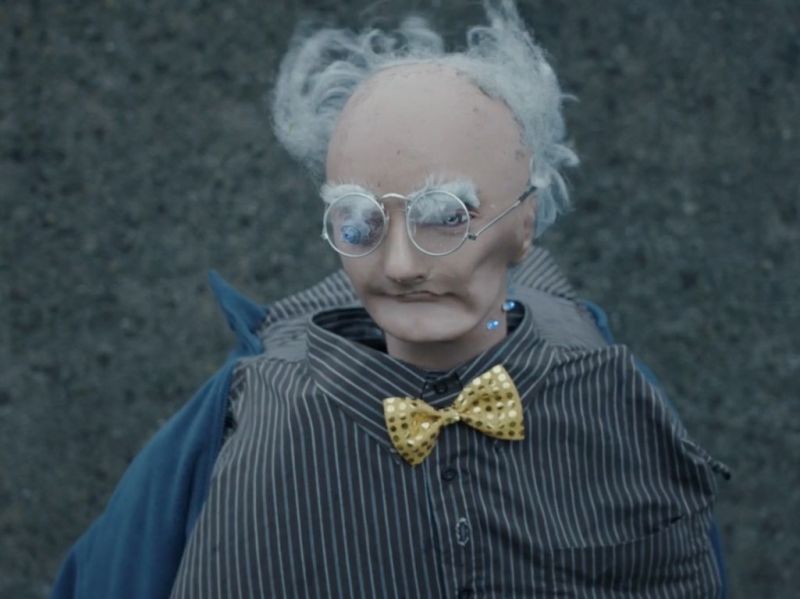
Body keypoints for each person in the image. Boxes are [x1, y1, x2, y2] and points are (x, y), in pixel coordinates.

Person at [51, 1, 728, 597]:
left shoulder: (613, 396)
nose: (401, 265)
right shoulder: (243, 420)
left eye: (445, 215)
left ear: (524, 222)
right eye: (359, 222)